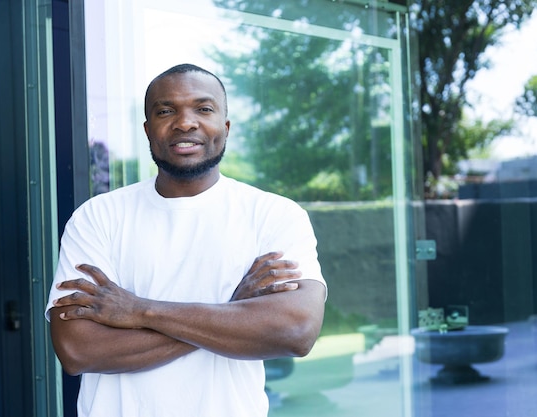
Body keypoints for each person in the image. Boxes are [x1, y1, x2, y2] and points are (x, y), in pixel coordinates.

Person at [45, 63, 327, 417]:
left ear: (225, 126)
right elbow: (78, 351)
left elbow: (295, 331)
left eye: (203, 109)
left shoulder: (274, 215)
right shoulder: (97, 217)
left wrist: (137, 310)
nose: (185, 122)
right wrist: (232, 312)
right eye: (166, 111)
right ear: (148, 130)